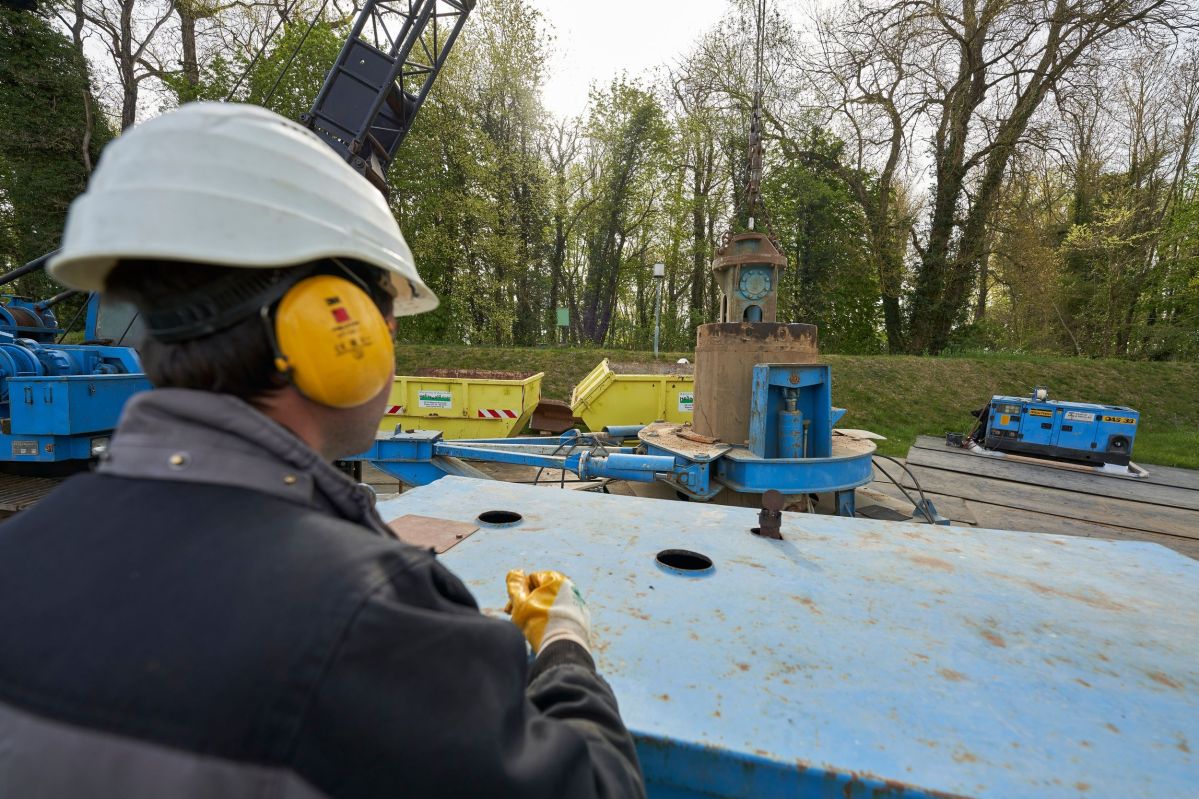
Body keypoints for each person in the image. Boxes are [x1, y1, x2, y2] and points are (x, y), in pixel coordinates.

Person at [0, 102, 645, 798]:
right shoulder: (374, 617)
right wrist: (566, 646)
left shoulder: (20, 553)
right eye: (386, 318)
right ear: (339, 328)